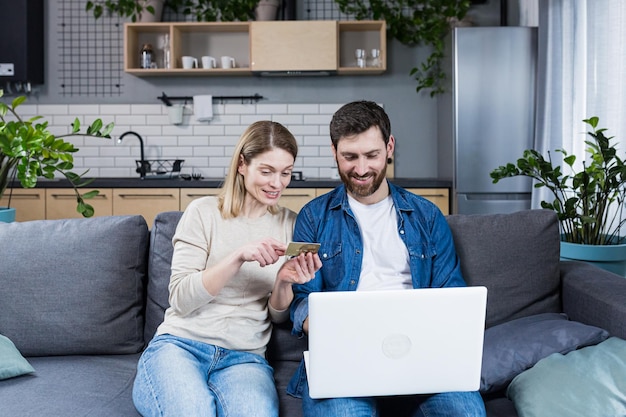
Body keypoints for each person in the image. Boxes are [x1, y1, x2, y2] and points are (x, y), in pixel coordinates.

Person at [287, 101, 486, 417]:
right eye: (350, 157)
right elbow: (301, 299)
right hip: (345, 360)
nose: (362, 169)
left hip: (422, 361)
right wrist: (330, 331)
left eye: (372, 155)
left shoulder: (427, 216)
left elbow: (452, 294)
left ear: (389, 147)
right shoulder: (313, 218)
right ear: (334, 150)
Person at [133, 120, 322, 417]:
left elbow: (278, 315)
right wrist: (237, 257)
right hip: (181, 345)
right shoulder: (203, 212)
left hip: (245, 358)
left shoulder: (290, 223)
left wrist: (284, 282)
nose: (277, 184)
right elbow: (181, 298)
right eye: (267, 171)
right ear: (242, 165)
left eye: (285, 173)